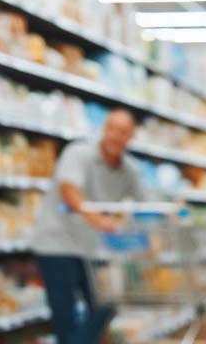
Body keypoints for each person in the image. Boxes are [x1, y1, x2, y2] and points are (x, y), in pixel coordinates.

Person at [30, 109, 146, 344]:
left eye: (122, 131)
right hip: (57, 243)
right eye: (111, 128)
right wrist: (100, 221)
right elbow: (69, 191)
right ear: (104, 129)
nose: (115, 135)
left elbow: (144, 205)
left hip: (92, 247)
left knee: (106, 302)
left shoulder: (130, 170)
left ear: (131, 136)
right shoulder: (78, 153)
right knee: (64, 314)